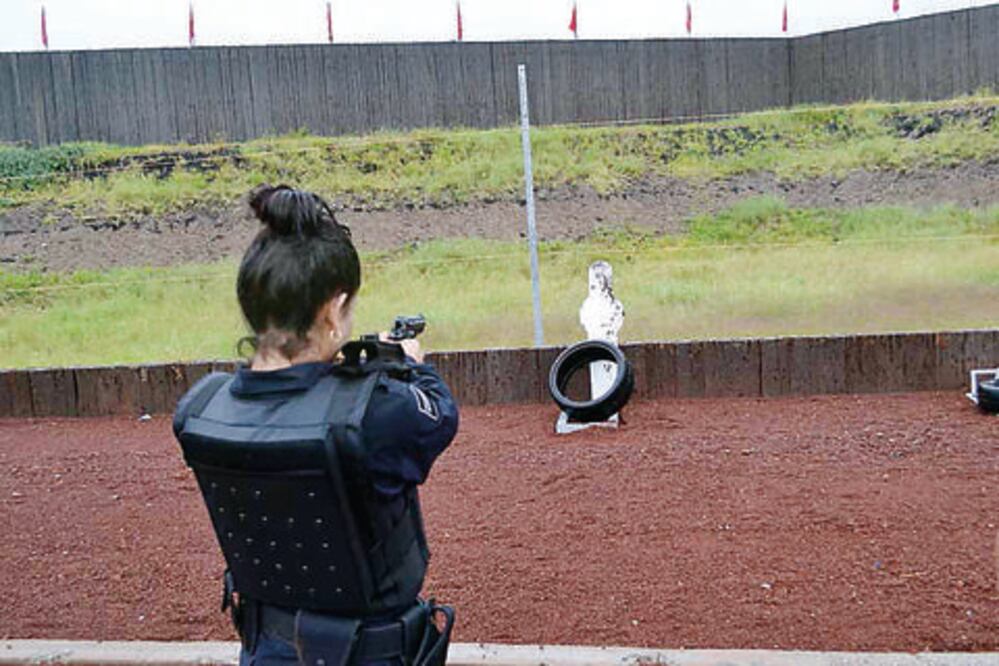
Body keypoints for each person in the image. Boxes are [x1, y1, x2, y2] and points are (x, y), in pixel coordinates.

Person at [173, 185, 459, 666]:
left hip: (266, 647)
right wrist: (408, 365)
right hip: (371, 653)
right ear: (331, 310)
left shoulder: (199, 408)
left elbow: (286, 401)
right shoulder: (375, 415)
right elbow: (440, 415)